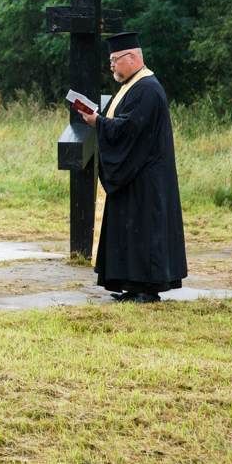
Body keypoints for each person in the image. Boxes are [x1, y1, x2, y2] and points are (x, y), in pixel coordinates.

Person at [80, 32, 187, 303]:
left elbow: (130, 129)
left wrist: (98, 123)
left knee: (145, 230)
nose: (112, 66)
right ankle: (132, 285)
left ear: (133, 57)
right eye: (110, 61)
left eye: (115, 60)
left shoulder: (147, 88)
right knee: (131, 231)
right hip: (136, 172)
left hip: (146, 176)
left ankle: (147, 289)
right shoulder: (133, 85)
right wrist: (101, 120)